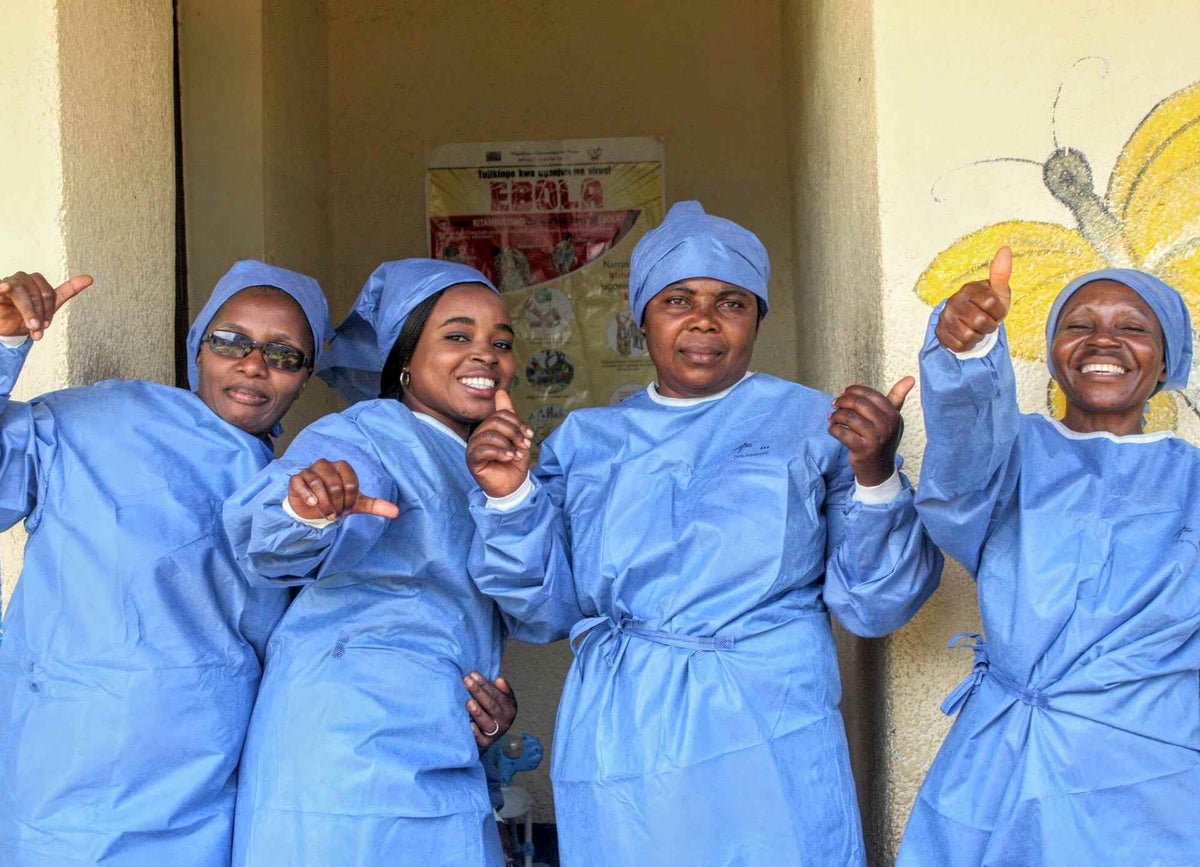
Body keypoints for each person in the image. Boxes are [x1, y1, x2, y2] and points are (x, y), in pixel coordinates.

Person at [466, 201, 944, 866]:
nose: (703, 321)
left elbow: (875, 603)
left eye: (732, 301)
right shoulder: (587, 443)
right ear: (641, 315)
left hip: (770, 725)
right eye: (677, 298)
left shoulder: (814, 425)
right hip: (625, 734)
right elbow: (539, 610)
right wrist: (510, 495)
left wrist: (875, 472)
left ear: (757, 318)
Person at [223, 259, 565, 867]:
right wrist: (312, 507)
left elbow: (540, 611)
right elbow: (270, 538)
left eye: (501, 342)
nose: (485, 354)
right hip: (340, 744)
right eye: (457, 336)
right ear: (405, 360)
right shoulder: (369, 433)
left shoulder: (498, 462)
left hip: (446, 740)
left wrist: (509, 495)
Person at [0, 261, 333, 866]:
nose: (254, 364)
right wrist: (3, 344)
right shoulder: (95, 422)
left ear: (306, 377)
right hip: (62, 776)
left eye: (285, 355)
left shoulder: (300, 495)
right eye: (231, 341)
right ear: (197, 346)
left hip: (205, 791)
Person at [897, 249, 1200, 866]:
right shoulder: (1009, 457)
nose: (1104, 341)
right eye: (1079, 324)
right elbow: (962, 463)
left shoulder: (1192, 482)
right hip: (1000, 764)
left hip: (1151, 780)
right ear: (1054, 349)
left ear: (1168, 358)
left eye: (1134, 328)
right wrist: (970, 352)